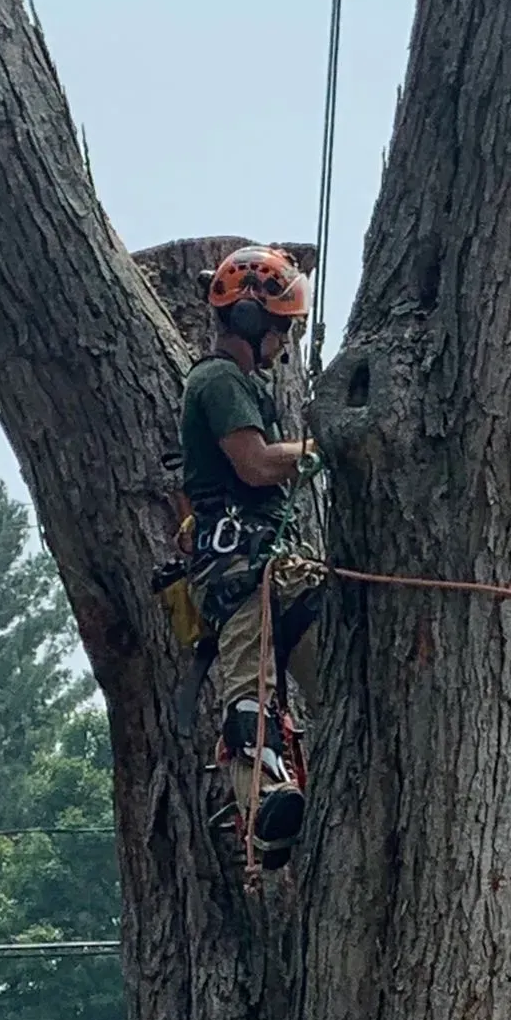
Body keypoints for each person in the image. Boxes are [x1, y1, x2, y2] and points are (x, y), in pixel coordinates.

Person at [179, 244, 321, 863]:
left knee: (348, 672)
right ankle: (263, 806)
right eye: (282, 326)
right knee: (250, 697)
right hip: (239, 572)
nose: (285, 343)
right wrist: (317, 450)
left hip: (279, 566)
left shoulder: (247, 383)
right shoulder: (216, 380)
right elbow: (257, 465)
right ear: (247, 319)